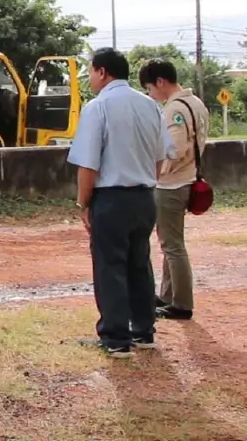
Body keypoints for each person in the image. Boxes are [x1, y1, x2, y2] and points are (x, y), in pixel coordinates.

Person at [67, 47, 173, 358]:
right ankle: (143, 330)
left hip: (111, 198)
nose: (89, 78)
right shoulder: (150, 106)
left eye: (91, 71)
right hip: (144, 196)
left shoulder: (98, 107)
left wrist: (83, 204)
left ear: (102, 72)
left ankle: (115, 337)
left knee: (110, 266)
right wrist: (146, 184)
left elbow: (88, 165)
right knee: (139, 263)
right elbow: (159, 158)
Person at [139, 58, 208, 321]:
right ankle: (168, 296)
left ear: (160, 82)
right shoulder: (196, 104)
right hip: (187, 178)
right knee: (171, 244)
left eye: (150, 88)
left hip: (173, 184)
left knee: (173, 246)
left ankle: (181, 303)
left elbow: (176, 149)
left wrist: (158, 172)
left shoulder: (174, 109)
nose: (150, 95)